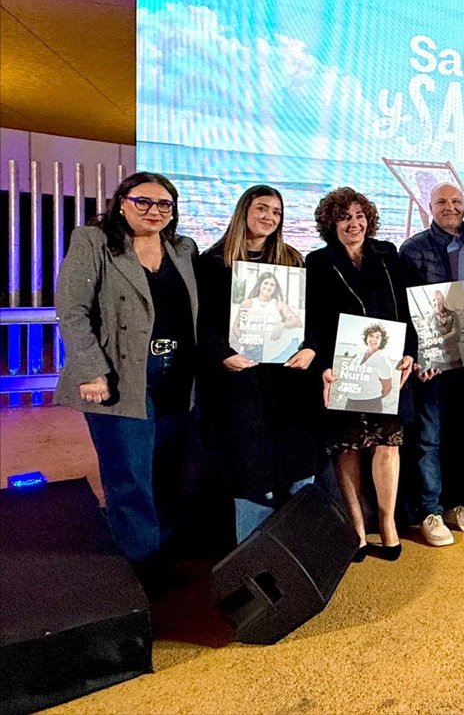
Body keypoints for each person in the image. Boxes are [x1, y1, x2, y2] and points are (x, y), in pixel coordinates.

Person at [56, 172, 198, 580]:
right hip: (119, 378)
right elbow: (72, 311)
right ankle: (141, 568)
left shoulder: (183, 248)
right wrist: (92, 370)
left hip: (176, 378)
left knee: (167, 470)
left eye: (164, 204)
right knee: (130, 476)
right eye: (143, 201)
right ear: (122, 202)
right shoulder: (93, 241)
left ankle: (164, 553)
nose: (155, 211)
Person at [196, 185, 324, 543]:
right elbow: (202, 321)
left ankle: (299, 550)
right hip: (240, 383)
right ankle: (253, 558)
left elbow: (312, 318)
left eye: (276, 212)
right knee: (250, 473)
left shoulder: (292, 260)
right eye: (262, 208)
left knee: (298, 467)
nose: (269, 217)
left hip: (289, 383)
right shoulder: (213, 262)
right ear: (244, 211)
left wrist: (311, 349)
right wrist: (222, 353)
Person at [306, 187, 416, 560]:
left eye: (359, 216)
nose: (354, 224)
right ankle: (356, 528)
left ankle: (387, 524)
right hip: (344, 369)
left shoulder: (387, 254)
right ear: (330, 223)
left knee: (387, 445)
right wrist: (323, 366)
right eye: (344, 217)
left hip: (389, 366)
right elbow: (313, 321)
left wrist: (410, 353)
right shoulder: (318, 262)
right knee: (348, 447)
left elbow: (406, 309)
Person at [397, 181, 464, 546]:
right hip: (431, 364)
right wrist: (421, 355)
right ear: (430, 206)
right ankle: (429, 510)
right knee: (428, 438)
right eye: (441, 202)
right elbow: (406, 310)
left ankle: (456, 504)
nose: (450, 207)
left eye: (456, 201)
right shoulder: (413, 249)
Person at [231, 270, 303, 362]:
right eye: (266, 283)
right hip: (251, 349)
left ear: (275, 288)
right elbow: (236, 327)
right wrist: (244, 340)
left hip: (272, 349)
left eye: (272, 285)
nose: (268, 287)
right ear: (260, 284)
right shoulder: (247, 303)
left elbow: (297, 322)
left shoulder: (279, 304)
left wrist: (282, 325)